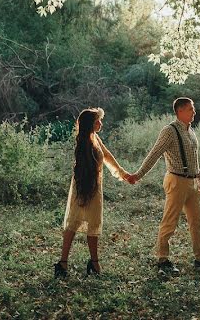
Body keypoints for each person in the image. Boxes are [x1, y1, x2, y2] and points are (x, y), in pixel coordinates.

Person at [127, 97, 200, 274]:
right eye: (191, 109)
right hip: (176, 181)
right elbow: (154, 154)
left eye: (193, 109)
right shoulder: (169, 131)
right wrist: (138, 175)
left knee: (196, 221)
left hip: (192, 182)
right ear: (180, 111)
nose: (194, 112)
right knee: (170, 222)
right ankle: (162, 260)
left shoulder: (191, 132)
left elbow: (194, 160)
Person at [55, 107, 132, 278]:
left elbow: (107, 156)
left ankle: (94, 262)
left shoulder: (95, 138)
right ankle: (62, 263)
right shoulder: (84, 142)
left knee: (94, 224)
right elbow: (82, 170)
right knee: (73, 222)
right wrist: (86, 191)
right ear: (90, 123)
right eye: (98, 121)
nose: (101, 123)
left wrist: (123, 173)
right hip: (83, 186)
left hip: (95, 187)